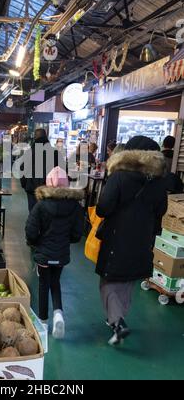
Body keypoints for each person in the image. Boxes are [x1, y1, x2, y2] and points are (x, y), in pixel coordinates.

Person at [96, 136, 167, 346]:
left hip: (118, 236)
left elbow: (103, 208)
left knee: (108, 280)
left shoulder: (119, 176)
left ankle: (117, 322)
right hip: (143, 238)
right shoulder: (158, 181)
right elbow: (160, 210)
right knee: (127, 281)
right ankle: (116, 318)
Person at [25, 167, 84, 339]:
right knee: (55, 282)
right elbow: (76, 233)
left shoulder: (41, 205)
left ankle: (43, 321)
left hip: (44, 253)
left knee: (43, 284)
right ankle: (58, 314)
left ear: (48, 184)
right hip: (61, 253)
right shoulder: (75, 207)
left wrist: (34, 243)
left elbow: (31, 229)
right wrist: (67, 241)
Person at [21, 129, 63, 212]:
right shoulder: (54, 152)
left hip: (32, 188)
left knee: (33, 212)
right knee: (47, 213)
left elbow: (22, 168)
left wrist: (25, 184)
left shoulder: (30, 152)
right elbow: (62, 170)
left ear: (35, 138)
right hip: (49, 188)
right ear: (46, 136)